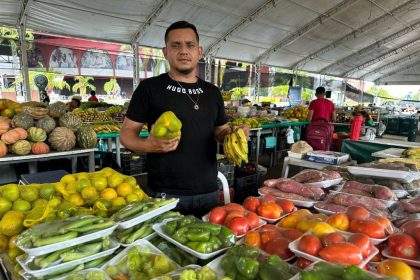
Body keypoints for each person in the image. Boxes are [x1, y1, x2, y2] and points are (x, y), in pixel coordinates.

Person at [120, 21, 249, 217]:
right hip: (165, 194)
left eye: (189, 45)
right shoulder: (150, 88)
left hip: (208, 190)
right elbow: (127, 135)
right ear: (165, 52)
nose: (183, 51)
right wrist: (149, 145)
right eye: (175, 45)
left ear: (199, 51)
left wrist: (235, 134)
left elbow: (220, 132)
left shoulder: (212, 92)